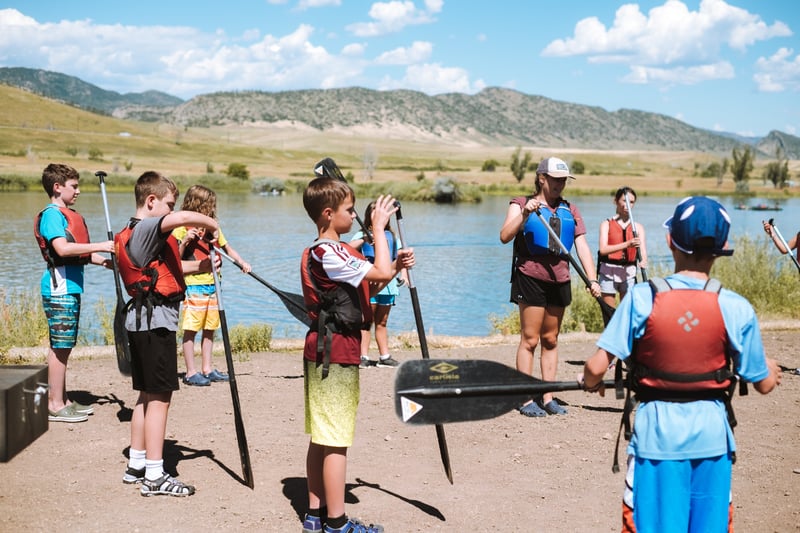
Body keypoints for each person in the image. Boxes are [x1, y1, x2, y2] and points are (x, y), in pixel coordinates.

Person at [582, 196, 780, 532]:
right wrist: (772, 371)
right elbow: (761, 382)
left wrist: (589, 381)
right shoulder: (736, 307)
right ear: (723, 247)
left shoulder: (642, 298)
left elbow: (595, 369)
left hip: (655, 445)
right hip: (713, 445)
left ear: (670, 241)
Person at [300, 174, 414, 533]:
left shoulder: (333, 251)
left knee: (323, 434)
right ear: (329, 214)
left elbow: (375, 279)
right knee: (335, 439)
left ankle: (315, 516)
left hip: (330, 351)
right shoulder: (326, 251)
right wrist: (380, 229)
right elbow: (376, 269)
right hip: (334, 351)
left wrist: (396, 266)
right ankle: (337, 523)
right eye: (350, 210)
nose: (356, 216)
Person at [116, 171, 220, 497]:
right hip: (155, 323)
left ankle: (136, 464)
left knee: (146, 396)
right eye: (168, 205)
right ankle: (155, 475)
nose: (172, 211)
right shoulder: (148, 226)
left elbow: (169, 268)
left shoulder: (138, 232)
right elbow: (186, 217)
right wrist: (214, 225)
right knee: (160, 398)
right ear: (151, 202)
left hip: (142, 323)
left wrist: (201, 265)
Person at [499, 157, 601, 417]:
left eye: (563, 180)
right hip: (530, 277)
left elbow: (583, 246)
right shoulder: (520, 203)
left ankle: (547, 395)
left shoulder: (570, 209)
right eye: (555, 179)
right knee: (530, 339)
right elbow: (504, 236)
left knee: (551, 339)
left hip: (560, 279)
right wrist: (524, 214)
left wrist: (593, 279)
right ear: (542, 178)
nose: (560, 184)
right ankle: (524, 398)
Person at [34, 163, 114, 423]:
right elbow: (63, 249)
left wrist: (105, 260)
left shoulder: (66, 214)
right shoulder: (52, 215)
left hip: (70, 286)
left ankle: (62, 398)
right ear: (57, 187)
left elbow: (82, 253)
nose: (78, 191)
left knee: (65, 345)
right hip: (60, 288)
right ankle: (54, 405)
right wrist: (102, 243)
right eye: (74, 186)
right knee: (60, 346)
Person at [172, 185, 251, 386]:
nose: (212, 209)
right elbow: (175, 259)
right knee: (191, 329)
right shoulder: (181, 228)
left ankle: (207, 368)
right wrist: (184, 242)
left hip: (213, 285)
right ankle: (190, 372)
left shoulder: (214, 229)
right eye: (209, 205)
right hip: (193, 287)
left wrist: (241, 262)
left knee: (210, 328)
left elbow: (227, 248)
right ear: (197, 205)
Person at [349, 201, 408, 369]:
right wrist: (364, 239)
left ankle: (384, 356)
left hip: (389, 285)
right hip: (370, 284)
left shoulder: (392, 236)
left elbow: (399, 257)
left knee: (382, 322)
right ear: (369, 216)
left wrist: (403, 274)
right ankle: (363, 356)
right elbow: (348, 250)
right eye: (375, 214)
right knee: (366, 322)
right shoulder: (361, 234)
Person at [597, 187, 648, 308]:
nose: (628, 205)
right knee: (609, 315)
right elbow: (603, 250)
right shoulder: (606, 224)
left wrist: (644, 260)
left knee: (627, 313)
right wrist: (627, 244)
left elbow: (643, 251)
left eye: (631, 202)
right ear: (615, 201)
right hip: (608, 273)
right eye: (624, 201)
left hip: (629, 274)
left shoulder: (638, 227)